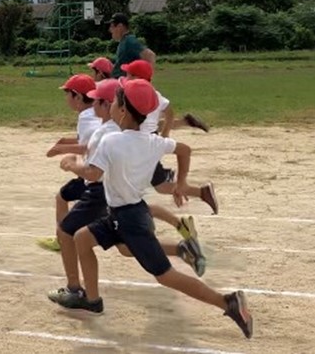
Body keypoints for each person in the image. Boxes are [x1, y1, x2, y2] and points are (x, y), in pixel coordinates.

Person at [50, 79, 253, 340]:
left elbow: (93, 173)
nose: (111, 105)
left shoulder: (112, 141)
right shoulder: (152, 141)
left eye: (115, 101)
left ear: (122, 111)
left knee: (166, 275)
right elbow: (184, 149)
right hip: (129, 212)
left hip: (129, 220)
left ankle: (228, 302)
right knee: (82, 238)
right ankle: (92, 299)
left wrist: (70, 165)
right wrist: (180, 183)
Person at [46, 79, 202, 302]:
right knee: (125, 246)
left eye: (97, 100)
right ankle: (181, 249)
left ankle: (75, 288)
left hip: (100, 191)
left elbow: (93, 169)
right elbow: (92, 148)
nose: (93, 104)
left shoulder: (104, 130)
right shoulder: (110, 127)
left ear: (111, 105)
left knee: (65, 232)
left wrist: (71, 163)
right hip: (114, 195)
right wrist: (65, 147)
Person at [121, 60, 217, 213]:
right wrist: (165, 134)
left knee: (159, 185)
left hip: (142, 142)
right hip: (146, 139)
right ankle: (191, 187)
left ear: (136, 77)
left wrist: (165, 135)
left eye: (128, 74)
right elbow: (169, 112)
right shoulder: (153, 93)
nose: (125, 77)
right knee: (155, 183)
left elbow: (167, 113)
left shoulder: (136, 94)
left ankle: (201, 192)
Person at [37, 74, 101, 252]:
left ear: (78, 97)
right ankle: (61, 237)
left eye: (67, 94)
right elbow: (86, 140)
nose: (66, 99)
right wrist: (65, 141)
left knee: (125, 242)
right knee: (62, 195)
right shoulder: (91, 114)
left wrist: (62, 150)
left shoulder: (87, 119)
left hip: (96, 177)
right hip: (95, 174)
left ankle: (62, 240)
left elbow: (93, 144)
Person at [108, 13, 156, 78]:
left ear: (120, 26)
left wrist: (146, 78)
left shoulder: (129, 41)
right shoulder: (124, 41)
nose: (110, 30)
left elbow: (150, 55)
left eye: (112, 26)